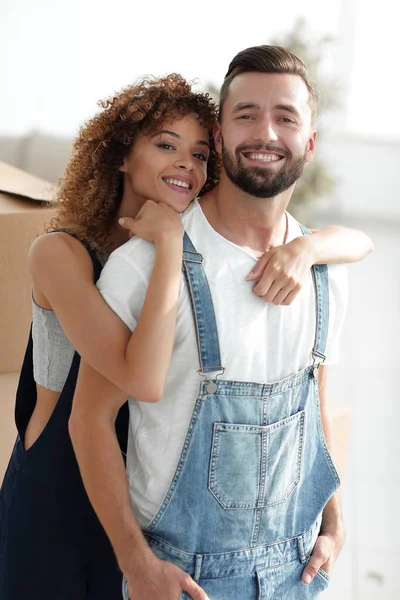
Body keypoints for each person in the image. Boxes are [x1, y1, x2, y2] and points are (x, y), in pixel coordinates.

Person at [0, 73, 367, 600]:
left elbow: (353, 244)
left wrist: (310, 248)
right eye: (166, 145)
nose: (185, 165)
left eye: (197, 154)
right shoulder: (70, 254)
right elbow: (143, 382)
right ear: (122, 157)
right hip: (59, 491)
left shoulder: (161, 250)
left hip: (133, 488)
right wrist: (172, 246)